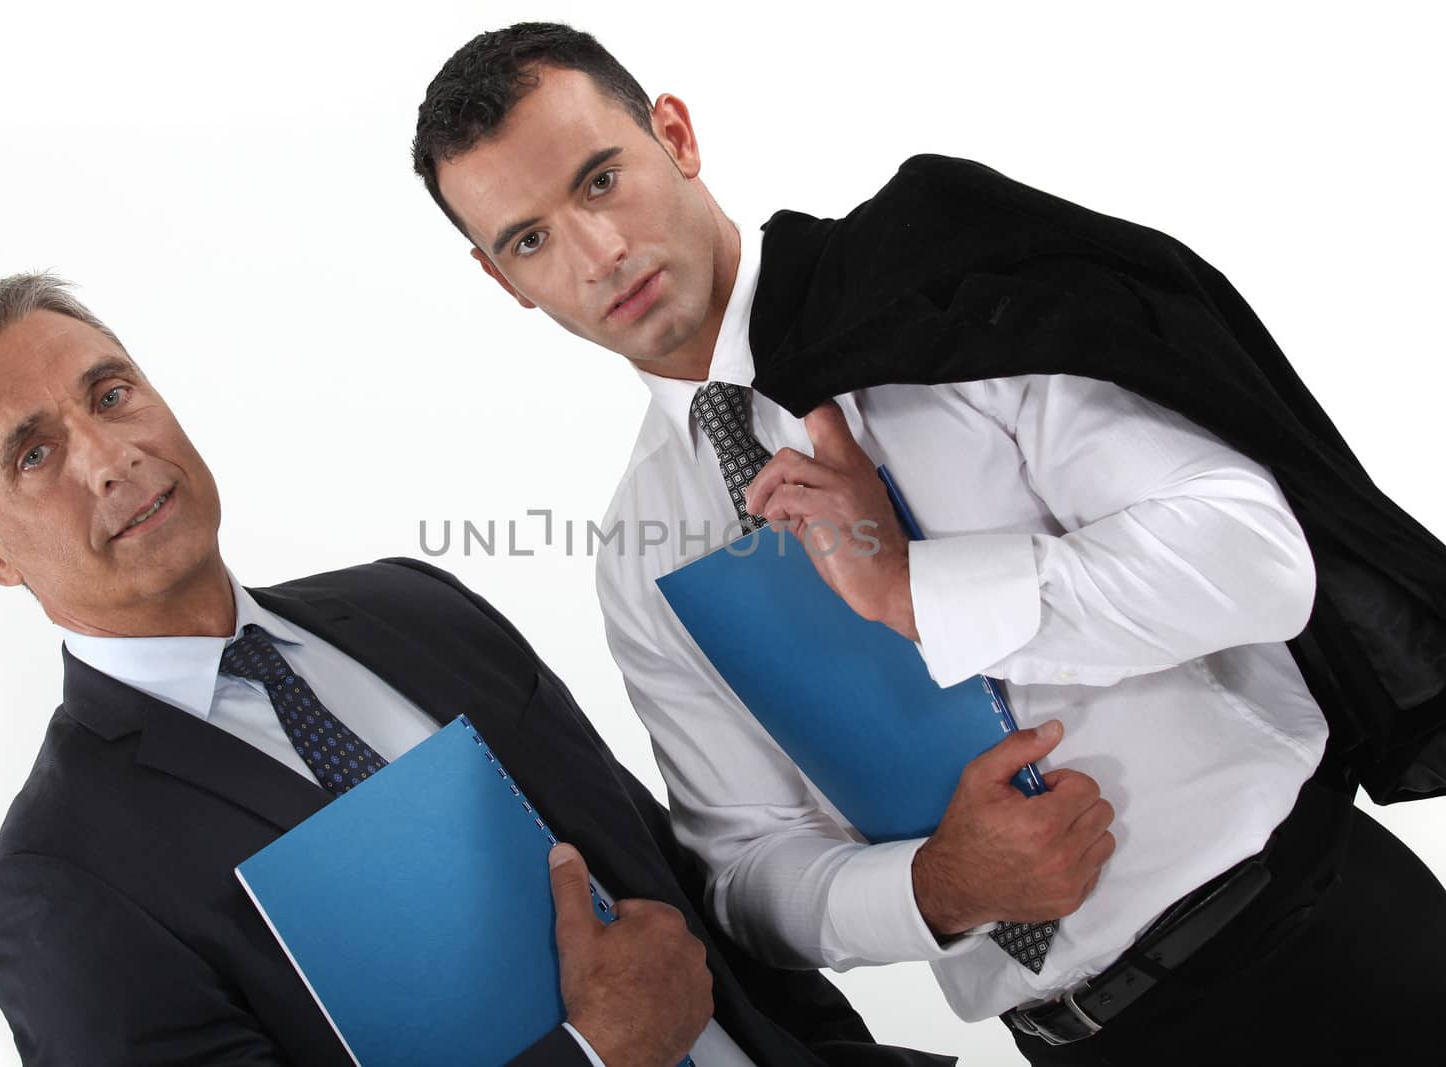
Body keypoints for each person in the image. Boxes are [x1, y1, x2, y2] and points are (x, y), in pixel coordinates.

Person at [411, 22, 1446, 1065]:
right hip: (1075, 1041)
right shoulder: (641, 553)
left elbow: (1256, 560)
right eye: (529, 239)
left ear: (674, 135)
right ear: (504, 282)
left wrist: (915, 590)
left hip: (1323, 951)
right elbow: (745, 866)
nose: (598, 255)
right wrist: (934, 886)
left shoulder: (940, 296)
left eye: (600, 181)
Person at [0, 273, 951, 1067]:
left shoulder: (414, 605)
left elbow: (678, 888)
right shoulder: (58, 878)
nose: (107, 454)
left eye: (113, 392)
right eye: (34, 454)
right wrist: (592, 1052)